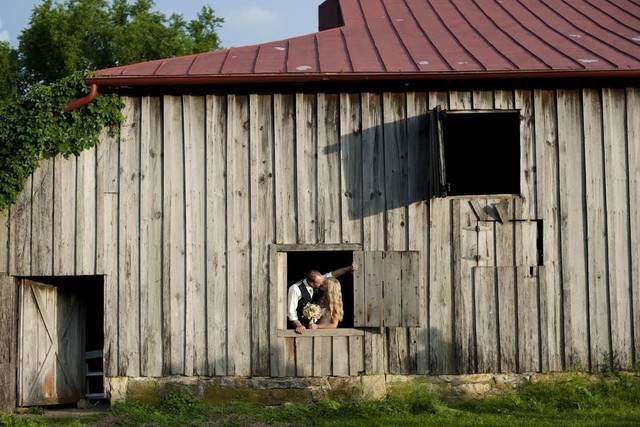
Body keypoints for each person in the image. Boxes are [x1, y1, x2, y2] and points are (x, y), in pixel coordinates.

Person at [288, 263, 356, 334]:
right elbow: (291, 312)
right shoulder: (295, 289)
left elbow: (332, 274)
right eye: (321, 283)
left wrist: (349, 268)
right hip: (302, 328)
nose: (322, 284)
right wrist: (298, 325)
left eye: (324, 283)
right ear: (312, 283)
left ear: (329, 290)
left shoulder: (319, 281)